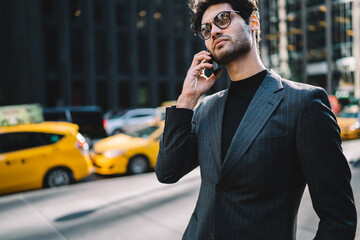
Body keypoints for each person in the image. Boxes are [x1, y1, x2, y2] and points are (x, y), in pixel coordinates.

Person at [155, 0, 357, 239]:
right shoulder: (206, 108)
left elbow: (339, 218)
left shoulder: (304, 103)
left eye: (223, 19)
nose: (215, 31)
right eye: (207, 29)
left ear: (253, 21)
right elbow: (167, 172)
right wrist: (187, 99)